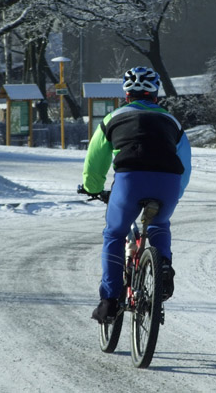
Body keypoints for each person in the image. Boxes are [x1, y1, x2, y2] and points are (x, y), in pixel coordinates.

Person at [82, 66, 191, 323]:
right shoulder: (172, 122)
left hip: (131, 181)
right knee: (160, 223)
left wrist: (93, 188)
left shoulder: (113, 119)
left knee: (115, 234)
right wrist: (177, 192)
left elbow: (94, 161)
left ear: (126, 94)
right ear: (155, 94)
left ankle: (109, 301)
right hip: (168, 183)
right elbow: (184, 164)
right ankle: (162, 264)